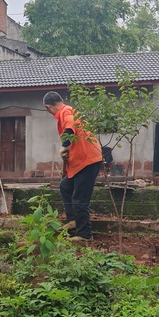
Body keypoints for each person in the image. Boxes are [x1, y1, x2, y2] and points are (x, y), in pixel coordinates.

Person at [43, 91, 104, 240]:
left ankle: (85, 235)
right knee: (66, 186)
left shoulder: (66, 112)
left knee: (79, 198)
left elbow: (71, 126)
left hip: (87, 160)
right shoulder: (69, 111)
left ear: (48, 107)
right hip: (81, 161)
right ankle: (74, 221)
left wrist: (65, 145)